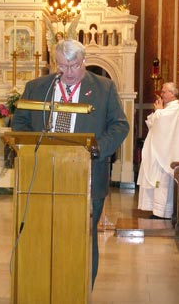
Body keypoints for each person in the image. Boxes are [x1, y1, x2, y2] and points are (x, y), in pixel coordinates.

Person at [11, 39, 129, 287]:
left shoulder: (104, 88)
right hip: (42, 176)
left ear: (84, 62)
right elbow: (19, 124)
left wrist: (97, 149)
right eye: (62, 66)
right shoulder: (36, 87)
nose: (67, 72)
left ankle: (81, 290)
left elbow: (120, 125)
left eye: (73, 66)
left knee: (82, 239)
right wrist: (32, 152)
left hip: (87, 176)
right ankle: (44, 289)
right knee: (43, 236)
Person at [137, 82, 179, 219]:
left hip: (165, 154)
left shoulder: (175, 108)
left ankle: (162, 212)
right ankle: (156, 210)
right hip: (160, 151)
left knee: (162, 183)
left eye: (164, 92)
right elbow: (154, 125)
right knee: (157, 181)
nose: (162, 94)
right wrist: (159, 111)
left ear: (172, 93)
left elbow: (161, 124)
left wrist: (158, 111)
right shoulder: (168, 109)